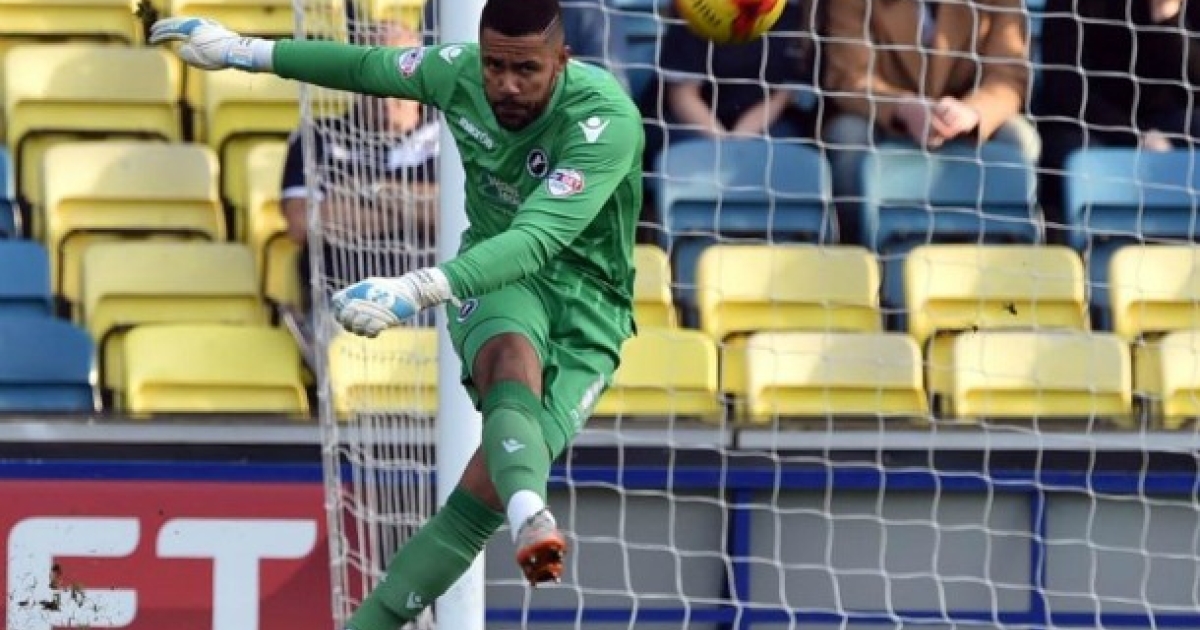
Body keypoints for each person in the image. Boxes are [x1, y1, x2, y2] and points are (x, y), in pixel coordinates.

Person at [149, 2, 641, 630]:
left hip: (589, 305)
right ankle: (531, 513)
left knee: (476, 500)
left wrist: (417, 287)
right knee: (506, 361)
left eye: (527, 70)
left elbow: (539, 239)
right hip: (496, 276)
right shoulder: (457, 72)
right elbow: (363, 67)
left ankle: (508, 512)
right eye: (495, 66)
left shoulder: (605, 120)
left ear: (561, 61)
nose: (507, 84)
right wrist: (241, 51)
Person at [820, 0, 1040, 244]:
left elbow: (1008, 77)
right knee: (847, 136)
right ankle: (856, 247)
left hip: (965, 118)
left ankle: (1009, 246)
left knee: (1021, 138)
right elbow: (849, 76)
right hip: (884, 116)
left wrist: (972, 112)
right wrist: (902, 107)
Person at [280, 24, 440, 312]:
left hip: (432, 304)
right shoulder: (317, 136)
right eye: (373, 73)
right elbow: (302, 223)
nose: (386, 89)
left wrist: (367, 191)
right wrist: (417, 213)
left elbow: (455, 212)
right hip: (342, 300)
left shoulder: (450, 138)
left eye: (400, 73)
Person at [1037, 0, 1200, 230]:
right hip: (1089, 124)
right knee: (1074, 151)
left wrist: (1168, 18)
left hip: (1168, 120)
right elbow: (1067, 90)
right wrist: (1137, 136)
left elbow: (1194, 89)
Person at [639, 1, 814, 173]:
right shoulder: (697, 9)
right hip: (691, 120)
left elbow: (782, 95)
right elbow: (683, 96)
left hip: (762, 119)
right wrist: (724, 143)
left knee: (785, 150)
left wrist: (739, 139)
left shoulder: (792, 15)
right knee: (696, 155)